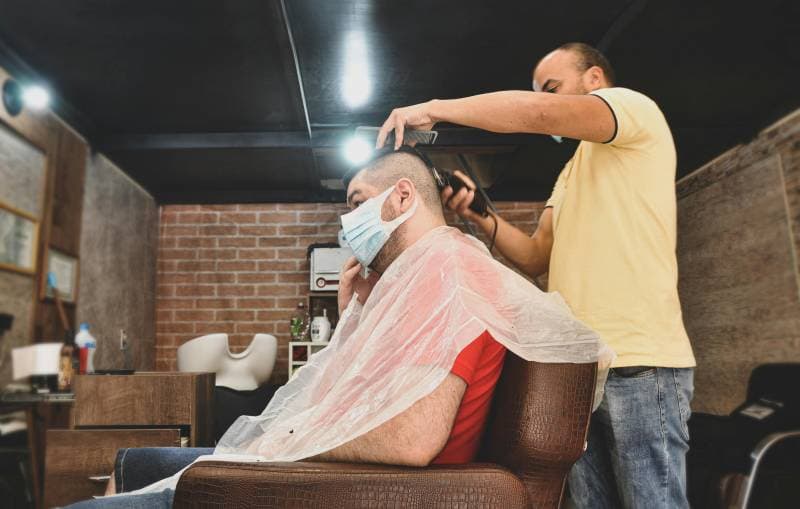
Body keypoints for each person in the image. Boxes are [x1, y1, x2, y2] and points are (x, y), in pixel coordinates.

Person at [67, 147, 605, 508]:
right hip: (359, 473)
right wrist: (355, 318)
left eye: (357, 203)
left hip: (385, 488)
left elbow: (414, 438)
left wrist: (292, 442)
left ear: (402, 196)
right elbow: (340, 398)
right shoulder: (416, 278)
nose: (349, 224)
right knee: (132, 465)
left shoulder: (448, 269)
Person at [376, 42, 696, 509]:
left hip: (640, 359)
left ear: (593, 79)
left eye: (553, 87)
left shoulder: (633, 109)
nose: (546, 99)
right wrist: (479, 214)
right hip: (583, 369)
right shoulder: (571, 172)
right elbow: (534, 256)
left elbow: (539, 114)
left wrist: (435, 109)